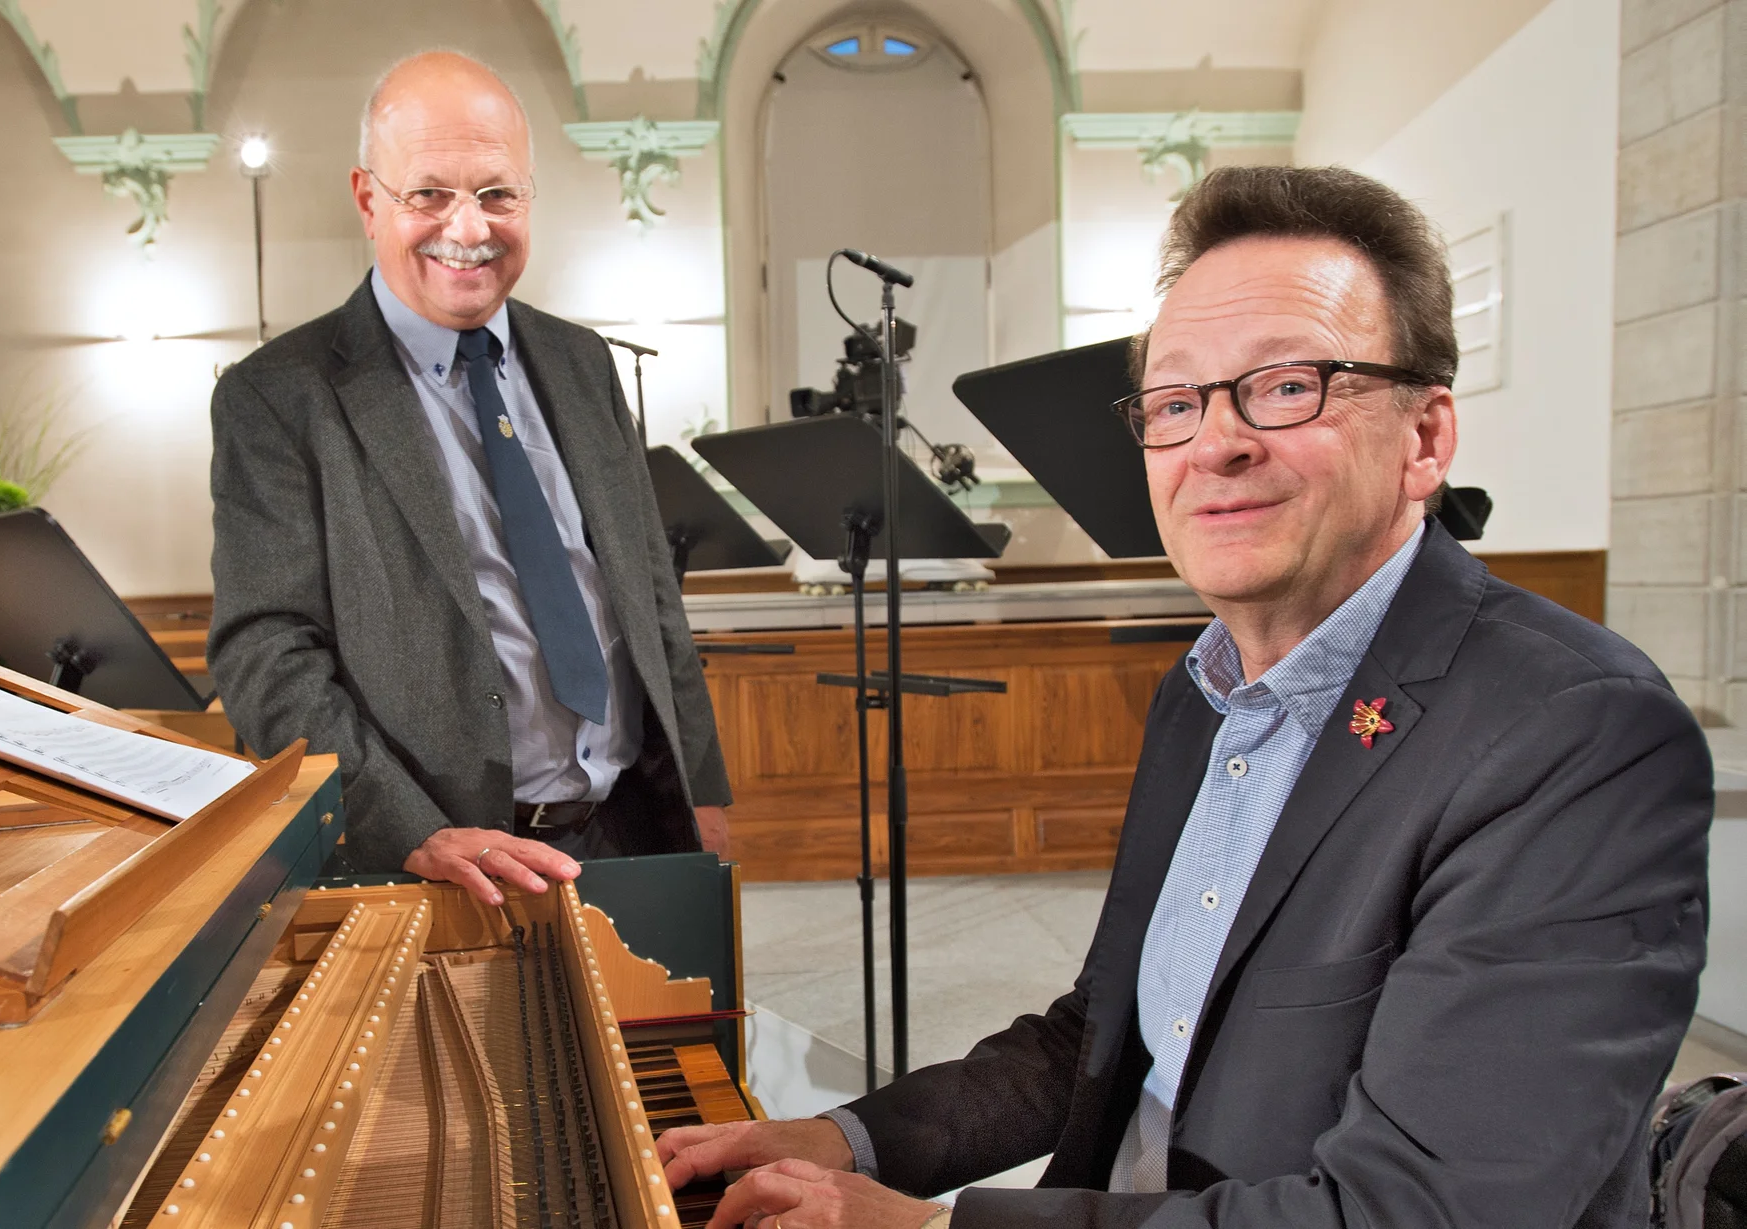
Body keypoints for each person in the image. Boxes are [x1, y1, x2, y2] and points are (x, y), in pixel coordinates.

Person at [658, 165, 1712, 1228]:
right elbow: (1101, 1033)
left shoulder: (1574, 734)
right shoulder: (1205, 686)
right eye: (1174, 401)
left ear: (1424, 439)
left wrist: (931, 1226)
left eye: (1288, 383)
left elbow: (1425, 1211)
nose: (1214, 441)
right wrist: (845, 1136)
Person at [207, 51, 732, 905]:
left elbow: (647, 594)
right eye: (429, 193)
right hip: (447, 858)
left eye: (497, 193)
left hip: (635, 828)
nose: (469, 225)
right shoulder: (278, 397)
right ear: (368, 198)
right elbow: (266, 654)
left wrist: (702, 788)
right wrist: (409, 830)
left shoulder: (581, 360)